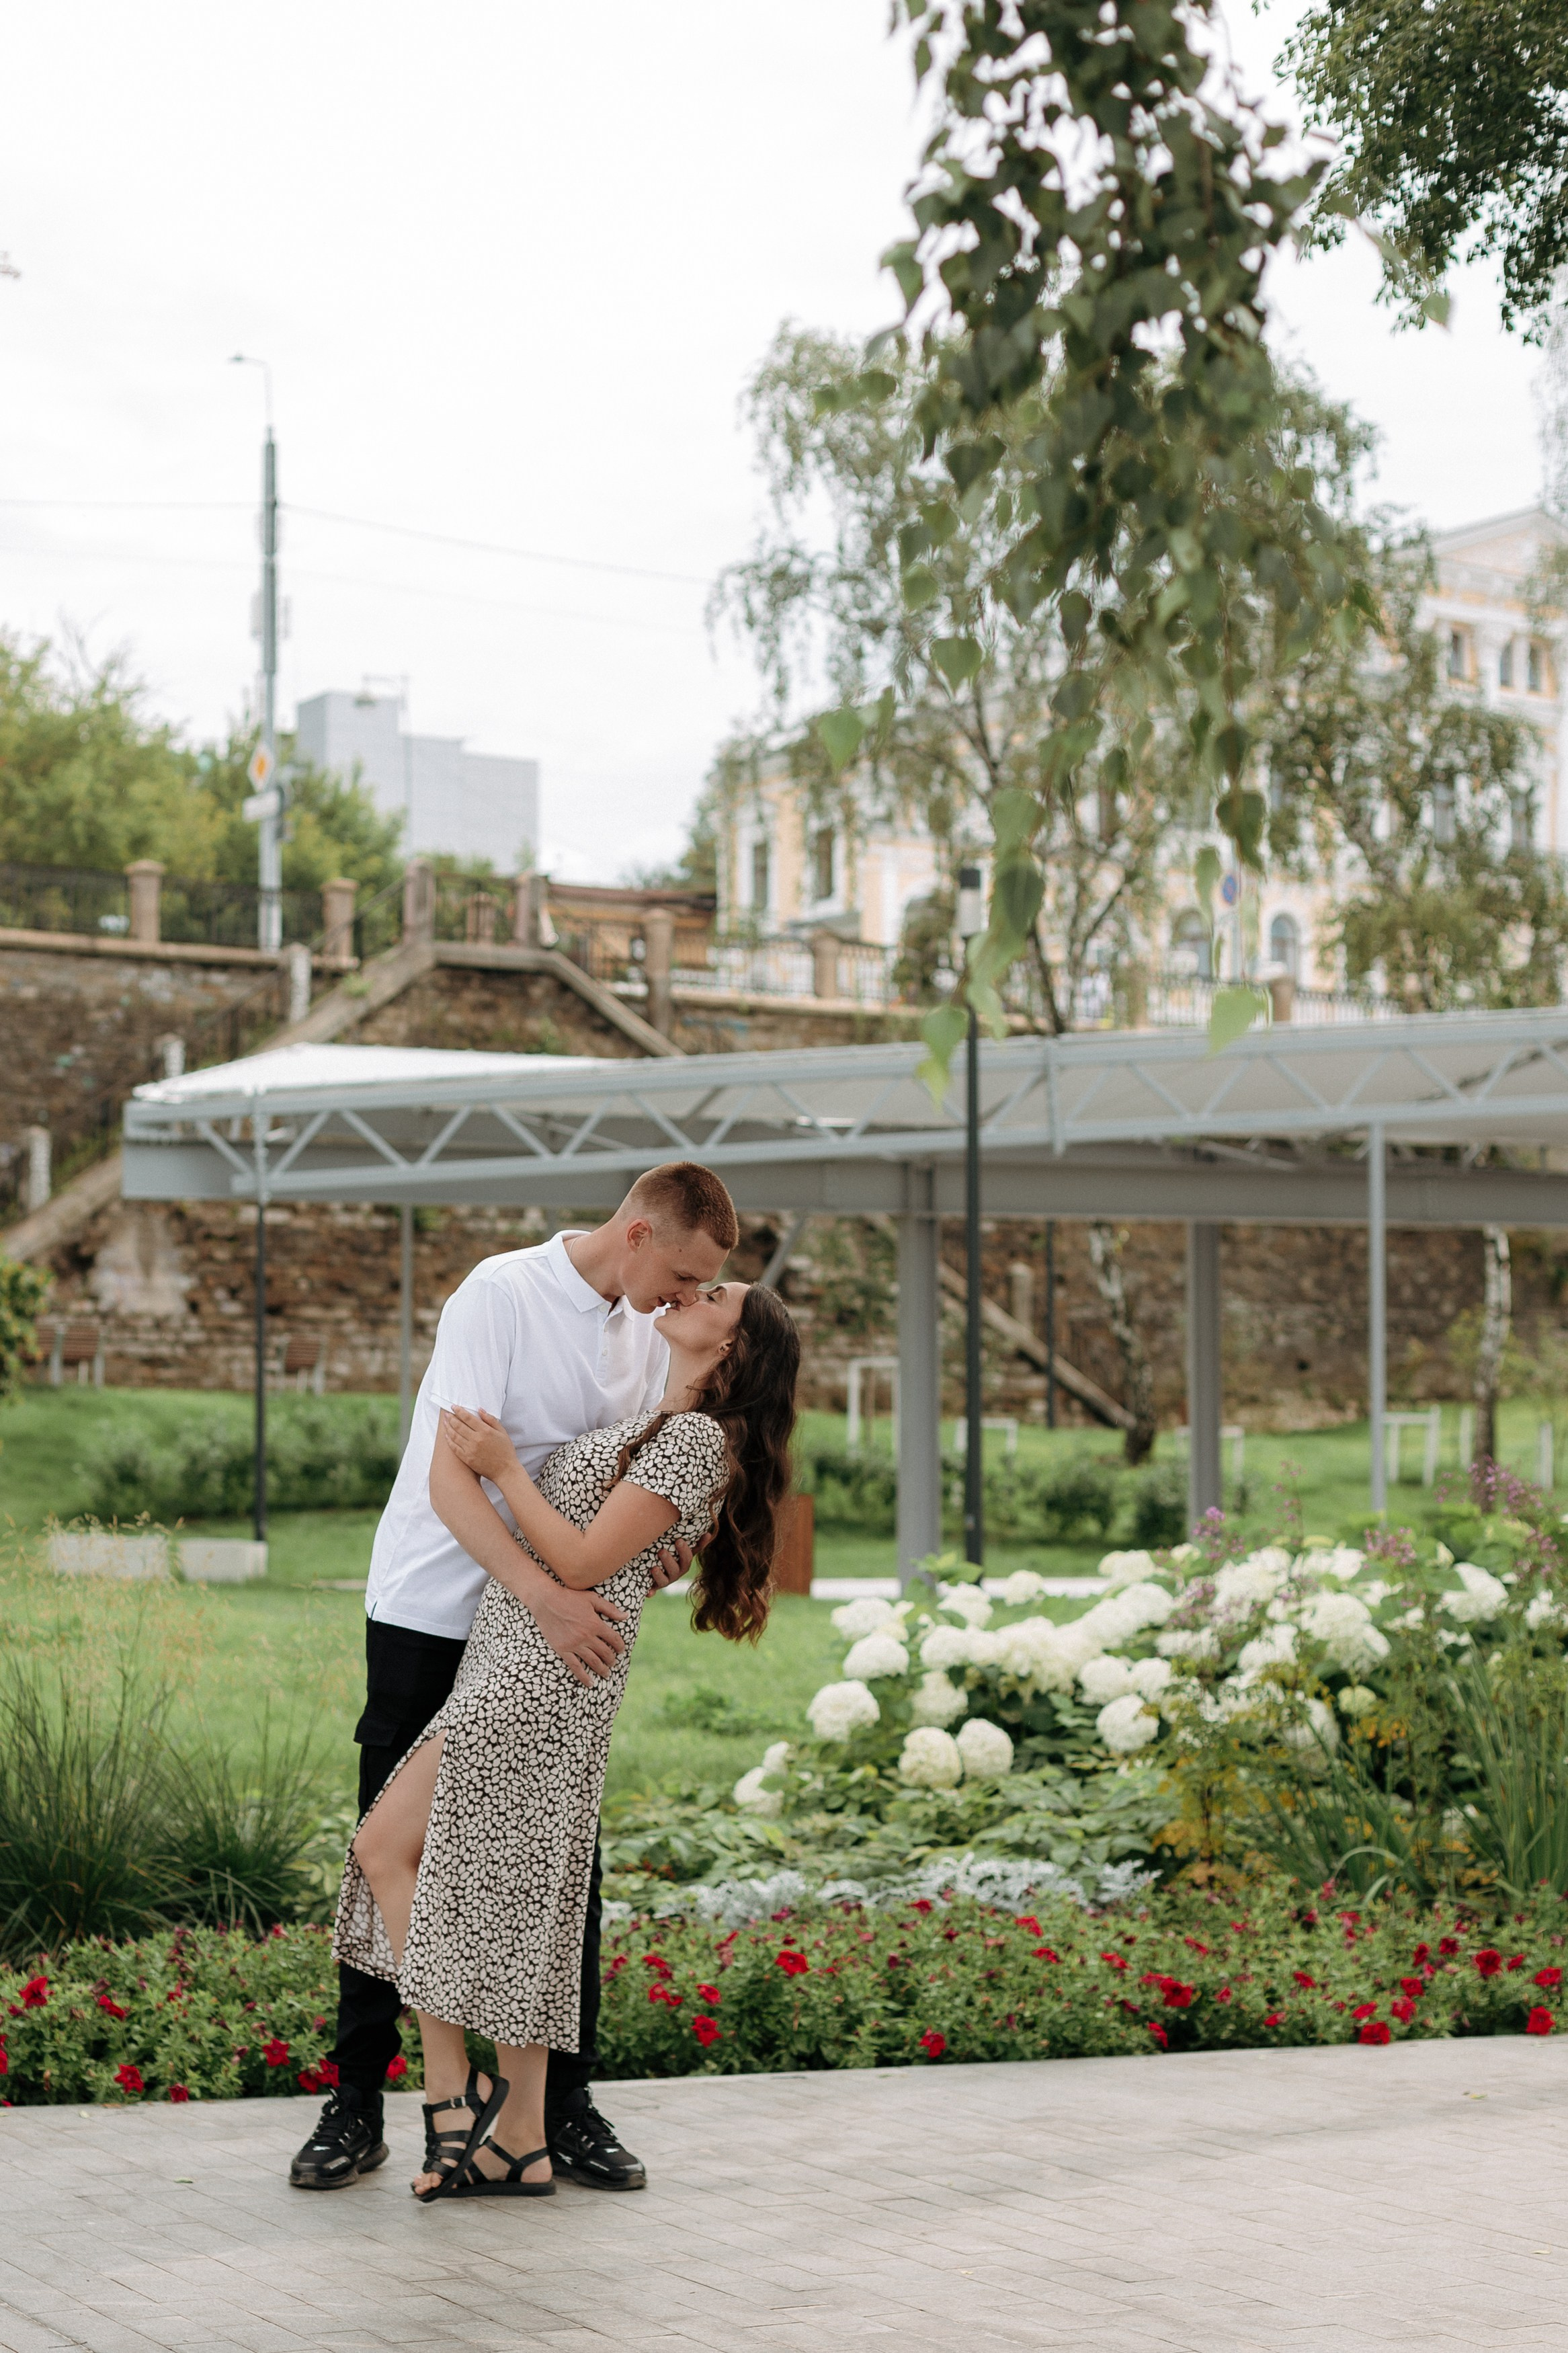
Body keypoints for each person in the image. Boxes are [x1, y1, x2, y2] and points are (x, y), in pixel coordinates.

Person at [288, 1161, 741, 2196]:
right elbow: (452, 1475)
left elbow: (627, 1490)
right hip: (437, 1608)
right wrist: (544, 1592)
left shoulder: (652, 1331)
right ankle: (357, 2100)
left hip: (547, 1641)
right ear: (636, 1232)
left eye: (698, 1286)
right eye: (680, 1273)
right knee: (390, 1843)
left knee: (559, 1860)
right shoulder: (500, 1294)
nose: (684, 1295)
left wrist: (654, 1552)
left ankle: (555, 2110)